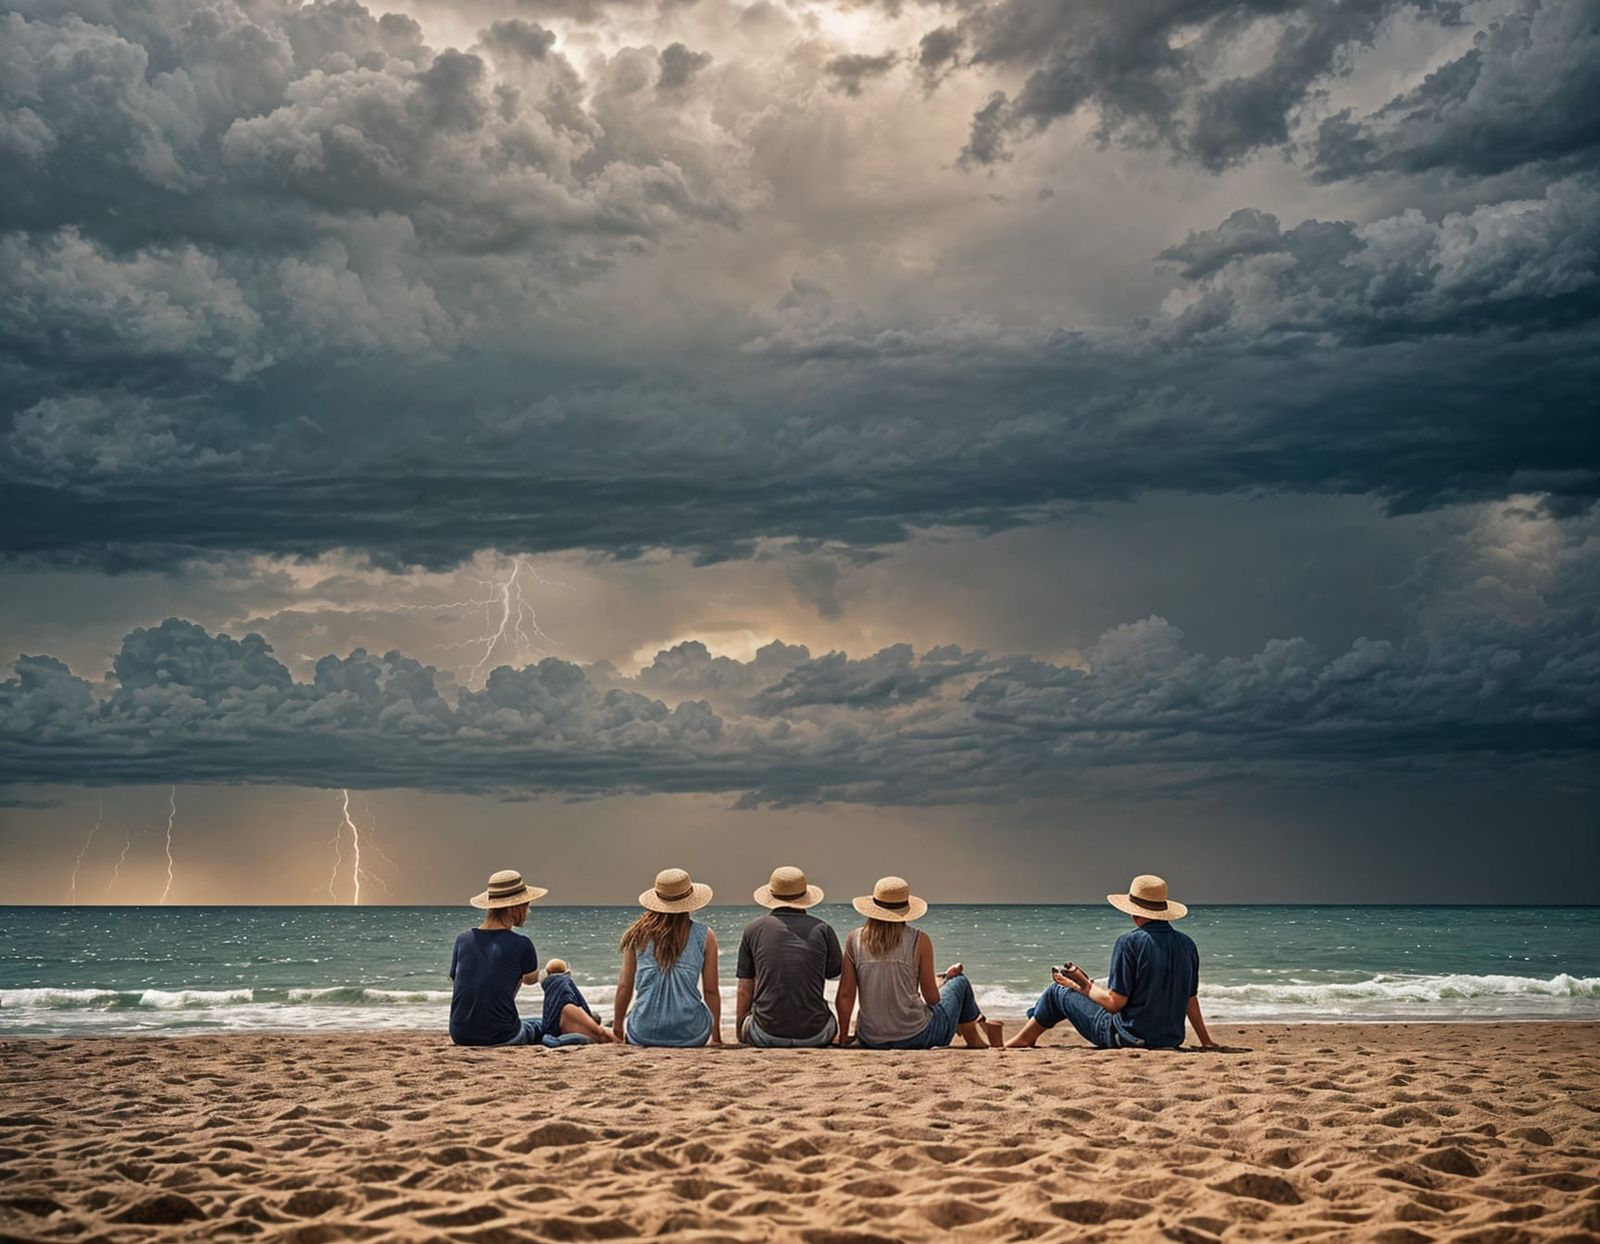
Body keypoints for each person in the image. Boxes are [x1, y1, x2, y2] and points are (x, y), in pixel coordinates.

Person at [1006, 873, 1218, 1050]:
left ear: (1133, 911)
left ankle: (1024, 1038)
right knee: (1065, 990)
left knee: (1056, 992)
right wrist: (1205, 1041)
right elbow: (1190, 999)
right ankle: (1027, 1031)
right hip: (1168, 1040)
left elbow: (1114, 1004)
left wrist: (1081, 984)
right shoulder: (1187, 944)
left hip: (1128, 1037)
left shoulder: (1129, 943)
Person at [835, 876, 1003, 1049]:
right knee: (960, 981)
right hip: (917, 1036)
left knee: (951, 981)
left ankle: (974, 1029)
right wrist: (945, 981)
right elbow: (931, 999)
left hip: (871, 1038)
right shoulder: (919, 940)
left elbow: (846, 994)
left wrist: (844, 1035)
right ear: (906, 909)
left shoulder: (854, 940)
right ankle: (974, 1036)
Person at [613, 868, 722, 1047]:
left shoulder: (636, 935)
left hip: (642, 1032)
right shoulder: (705, 935)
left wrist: (618, 1029)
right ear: (690, 900)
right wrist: (716, 1037)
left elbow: (625, 986)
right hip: (691, 1035)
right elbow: (711, 990)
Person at [736, 866, 842, 1048]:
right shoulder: (823, 929)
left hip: (765, 1034)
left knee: (750, 1021)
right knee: (829, 1019)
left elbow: (745, 988)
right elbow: (833, 973)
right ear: (805, 896)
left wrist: (740, 1030)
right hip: (816, 1034)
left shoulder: (753, 930)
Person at [448, 869, 549, 1046]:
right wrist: (549, 972)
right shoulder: (521, 943)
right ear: (513, 907)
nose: (528, 910)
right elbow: (531, 980)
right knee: (545, 1024)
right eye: (526, 905)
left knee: (529, 1021)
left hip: (460, 1034)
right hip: (502, 1035)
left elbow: (455, 979)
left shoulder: (462, 940)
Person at [539, 959, 616, 1047]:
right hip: (568, 1014)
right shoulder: (567, 1004)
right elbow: (602, 1034)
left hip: (561, 1024)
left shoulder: (551, 1000)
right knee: (601, 1033)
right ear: (567, 973)